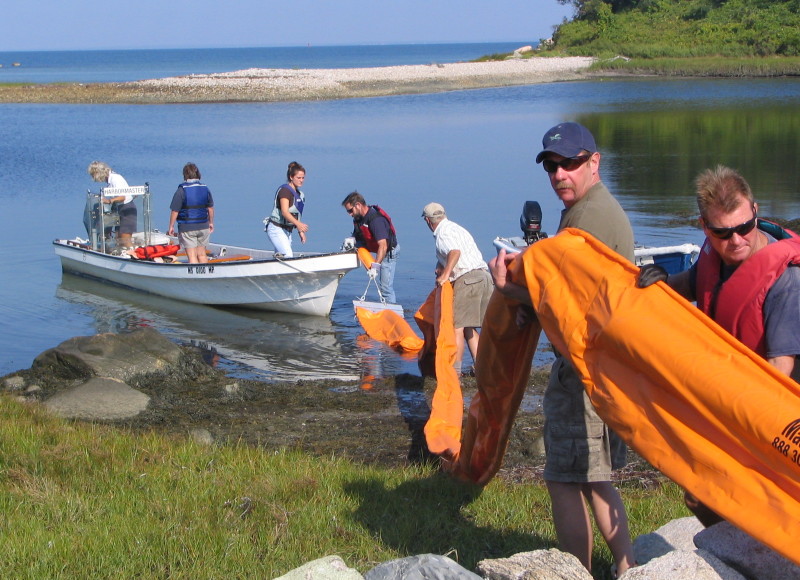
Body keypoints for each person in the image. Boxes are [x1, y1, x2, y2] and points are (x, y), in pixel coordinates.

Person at [489, 122, 636, 576]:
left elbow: (563, 298)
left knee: (563, 479)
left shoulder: (589, 218)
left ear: (594, 162)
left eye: (570, 164)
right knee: (594, 479)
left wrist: (510, 291)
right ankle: (628, 568)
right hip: (603, 367)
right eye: (552, 166)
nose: (559, 175)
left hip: (586, 371)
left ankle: (580, 572)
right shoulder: (586, 210)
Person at [638, 164, 800, 526]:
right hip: (731, 399)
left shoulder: (787, 281)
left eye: (744, 227)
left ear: (755, 211)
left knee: (722, 497)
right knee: (701, 495)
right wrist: (662, 283)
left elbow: (781, 373)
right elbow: (697, 285)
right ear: (705, 228)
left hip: (773, 410)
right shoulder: (716, 259)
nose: (737, 240)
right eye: (724, 233)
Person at [421, 202, 493, 374]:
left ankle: (454, 373)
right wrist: (441, 266)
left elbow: (454, 252)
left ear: (427, 221)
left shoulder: (442, 233)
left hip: (468, 281)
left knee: (457, 327)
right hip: (485, 278)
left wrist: (445, 275)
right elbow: (457, 252)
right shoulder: (457, 228)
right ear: (443, 215)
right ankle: (482, 367)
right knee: (469, 327)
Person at [342, 191, 399, 304]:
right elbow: (358, 234)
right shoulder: (358, 218)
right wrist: (351, 239)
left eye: (350, 210)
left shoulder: (376, 220)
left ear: (358, 205)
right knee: (347, 247)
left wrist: (375, 267)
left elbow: (383, 246)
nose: (349, 214)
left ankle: (392, 312)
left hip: (387, 252)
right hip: (371, 245)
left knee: (385, 288)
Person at [167, 162, 215, 264]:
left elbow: (175, 210)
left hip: (187, 227)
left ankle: (196, 278)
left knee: (192, 256)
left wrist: (171, 226)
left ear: (185, 175)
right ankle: (205, 277)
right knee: (202, 254)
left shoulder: (181, 190)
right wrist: (211, 223)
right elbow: (210, 208)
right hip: (203, 226)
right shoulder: (205, 188)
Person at [87, 160, 137, 248]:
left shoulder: (115, 179)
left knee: (125, 239)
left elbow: (123, 197)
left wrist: (109, 201)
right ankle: (123, 255)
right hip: (120, 209)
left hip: (127, 210)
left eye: (93, 175)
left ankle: (135, 256)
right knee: (118, 239)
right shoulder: (109, 180)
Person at [265, 161, 308, 258]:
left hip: (287, 231)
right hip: (276, 228)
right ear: (291, 177)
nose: (301, 180)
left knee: (281, 257)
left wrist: (300, 231)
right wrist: (299, 225)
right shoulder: (285, 191)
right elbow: (285, 212)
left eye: (303, 178)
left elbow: (296, 215)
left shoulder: (299, 194)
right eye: (298, 178)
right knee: (288, 256)